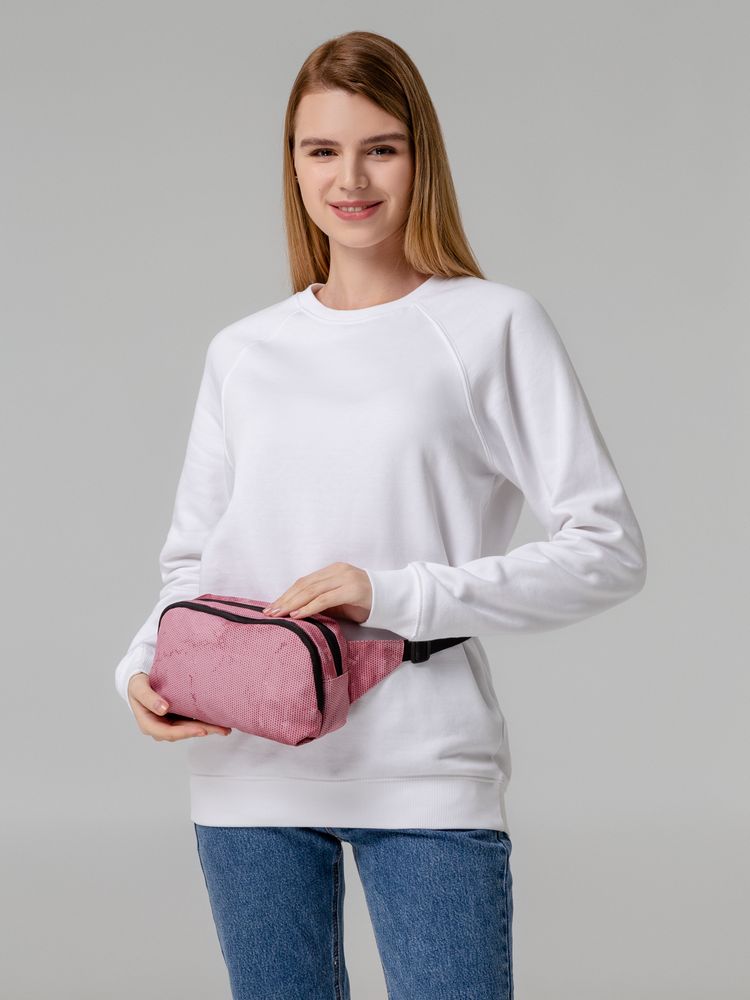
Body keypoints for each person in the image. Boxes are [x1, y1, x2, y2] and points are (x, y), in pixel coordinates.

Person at [114, 29, 647, 1000]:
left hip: (422, 763)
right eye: (322, 150)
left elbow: (607, 550)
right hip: (247, 769)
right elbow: (192, 564)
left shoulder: (492, 324)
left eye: (381, 148)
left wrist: (392, 592)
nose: (350, 178)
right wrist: (141, 667)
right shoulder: (244, 351)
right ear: (293, 164)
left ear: (420, 158)